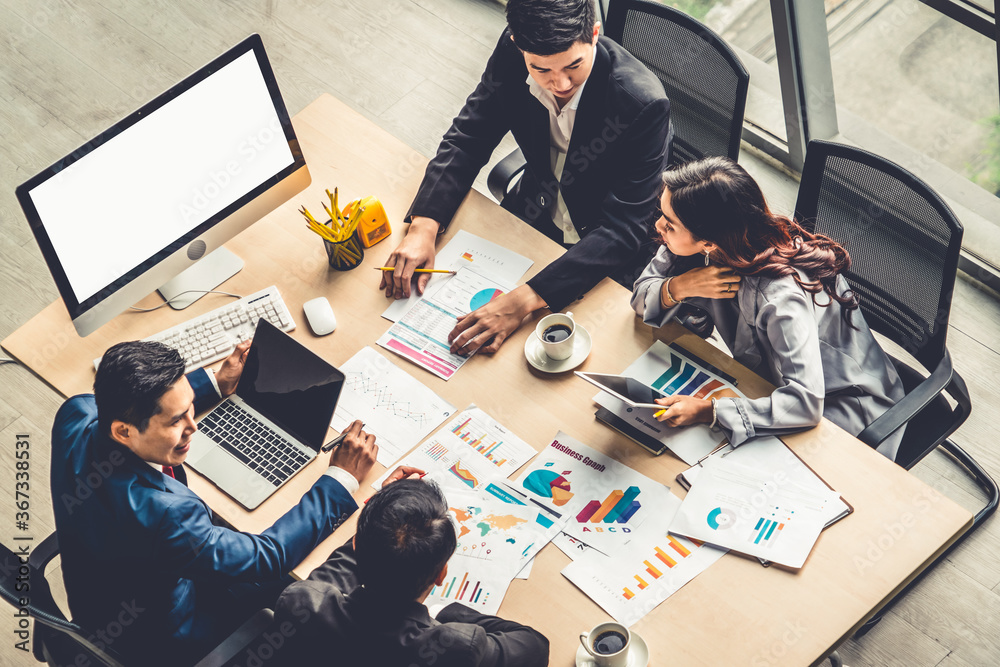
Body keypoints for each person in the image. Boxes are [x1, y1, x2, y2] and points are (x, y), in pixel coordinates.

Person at [50, 340, 378, 665]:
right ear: (124, 432)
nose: (193, 426)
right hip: (163, 638)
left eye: (189, 407)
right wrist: (340, 478)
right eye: (176, 421)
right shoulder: (169, 516)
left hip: (94, 599)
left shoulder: (76, 412)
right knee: (301, 582)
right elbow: (270, 555)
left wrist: (214, 384)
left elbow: (126, 406)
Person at [380, 0, 672, 356]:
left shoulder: (643, 103)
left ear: (594, 35)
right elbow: (470, 136)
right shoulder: (512, 50)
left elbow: (623, 228)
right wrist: (424, 225)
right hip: (535, 212)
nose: (560, 83)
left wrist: (524, 300)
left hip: (602, 250)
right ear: (518, 45)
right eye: (541, 69)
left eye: (573, 66)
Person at [631, 157, 906, 460]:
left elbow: (805, 401)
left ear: (708, 243)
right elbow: (640, 298)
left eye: (669, 224)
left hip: (842, 406)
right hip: (768, 383)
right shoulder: (708, 240)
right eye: (663, 214)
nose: (658, 226)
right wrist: (680, 287)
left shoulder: (781, 298)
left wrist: (709, 410)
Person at [271, 478, 550, 666]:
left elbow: (338, 571)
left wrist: (381, 517)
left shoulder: (305, 603)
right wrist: (446, 613)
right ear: (441, 575)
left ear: (357, 547)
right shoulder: (455, 647)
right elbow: (535, 646)